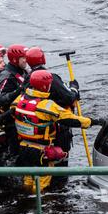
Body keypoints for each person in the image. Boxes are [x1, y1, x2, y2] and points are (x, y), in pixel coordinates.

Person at [11, 70, 105, 193]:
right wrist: (95, 121)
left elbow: (12, 112)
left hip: (23, 147)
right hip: (41, 151)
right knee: (43, 182)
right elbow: (71, 120)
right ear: (46, 86)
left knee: (28, 178)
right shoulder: (46, 105)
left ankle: (26, 201)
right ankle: (39, 205)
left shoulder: (19, 99)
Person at [24, 47, 80, 175]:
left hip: (36, 132)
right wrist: (74, 88)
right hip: (58, 127)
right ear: (43, 59)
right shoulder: (50, 78)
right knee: (60, 160)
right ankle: (60, 184)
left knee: (41, 162)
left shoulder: (28, 79)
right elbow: (69, 97)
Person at [0, 44, 29, 156]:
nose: (26, 60)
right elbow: (0, 99)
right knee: (14, 154)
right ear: (15, 60)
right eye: (23, 58)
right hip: (9, 122)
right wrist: (18, 92)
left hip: (22, 118)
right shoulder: (7, 76)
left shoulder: (24, 72)